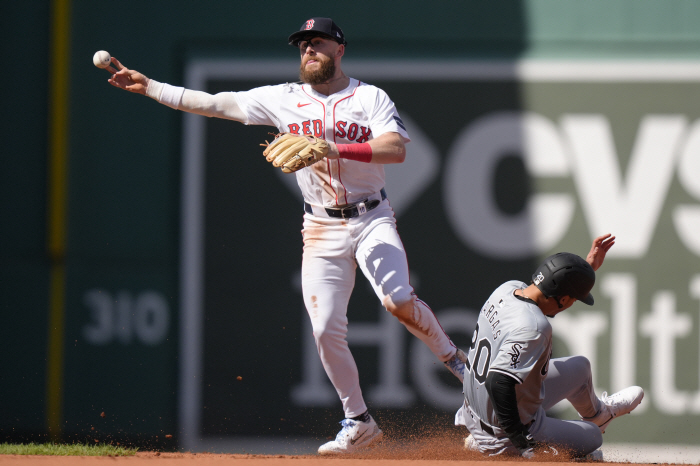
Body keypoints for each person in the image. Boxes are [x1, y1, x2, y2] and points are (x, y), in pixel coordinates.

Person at [103, 17, 466, 455]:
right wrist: (151, 87)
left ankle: (458, 364)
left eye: (318, 43)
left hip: (372, 218)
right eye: (303, 44)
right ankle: (359, 421)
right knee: (325, 328)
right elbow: (215, 103)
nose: (309, 50)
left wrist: (334, 147)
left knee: (397, 300)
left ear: (340, 49)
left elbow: (396, 148)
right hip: (320, 227)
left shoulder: (369, 97)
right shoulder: (283, 99)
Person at [456, 234, 644, 459]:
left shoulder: (507, 289)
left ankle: (600, 415)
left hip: (477, 409)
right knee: (593, 437)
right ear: (564, 299)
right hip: (504, 429)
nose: (572, 303)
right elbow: (499, 382)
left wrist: (585, 269)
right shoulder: (535, 327)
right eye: (574, 299)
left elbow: (500, 378)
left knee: (581, 368)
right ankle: (502, 449)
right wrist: (521, 442)